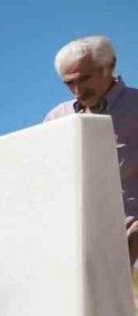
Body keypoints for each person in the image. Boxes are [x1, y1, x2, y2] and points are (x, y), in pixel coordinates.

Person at [44, 36, 138, 263]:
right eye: (69, 83)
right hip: (80, 251)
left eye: (85, 79)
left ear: (110, 65)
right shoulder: (56, 118)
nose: (78, 91)